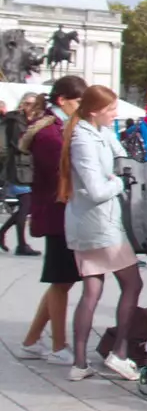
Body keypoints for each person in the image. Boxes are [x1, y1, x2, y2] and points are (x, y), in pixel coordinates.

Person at [61, 85, 143, 382]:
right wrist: (119, 183)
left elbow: (123, 160)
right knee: (133, 284)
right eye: (111, 110)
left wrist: (119, 170)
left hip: (89, 224)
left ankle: (80, 363)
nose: (116, 114)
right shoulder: (84, 140)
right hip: (100, 225)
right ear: (95, 111)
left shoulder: (97, 131)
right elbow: (97, 189)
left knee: (92, 291)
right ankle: (119, 353)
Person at [17, 77, 85, 362]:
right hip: (57, 212)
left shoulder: (60, 126)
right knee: (61, 279)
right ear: (62, 100)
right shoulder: (49, 133)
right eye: (78, 102)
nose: (82, 108)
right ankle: (58, 346)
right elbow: (62, 173)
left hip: (63, 211)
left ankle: (32, 340)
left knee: (63, 280)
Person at [1, 92, 43, 255]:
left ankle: (4, 233)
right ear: (22, 104)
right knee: (26, 205)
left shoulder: (29, 121)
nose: (31, 107)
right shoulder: (16, 121)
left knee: (27, 205)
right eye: (28, 103)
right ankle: (21, 244)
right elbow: (16, 145)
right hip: (18, 168)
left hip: (28, 168)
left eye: (35, 104)